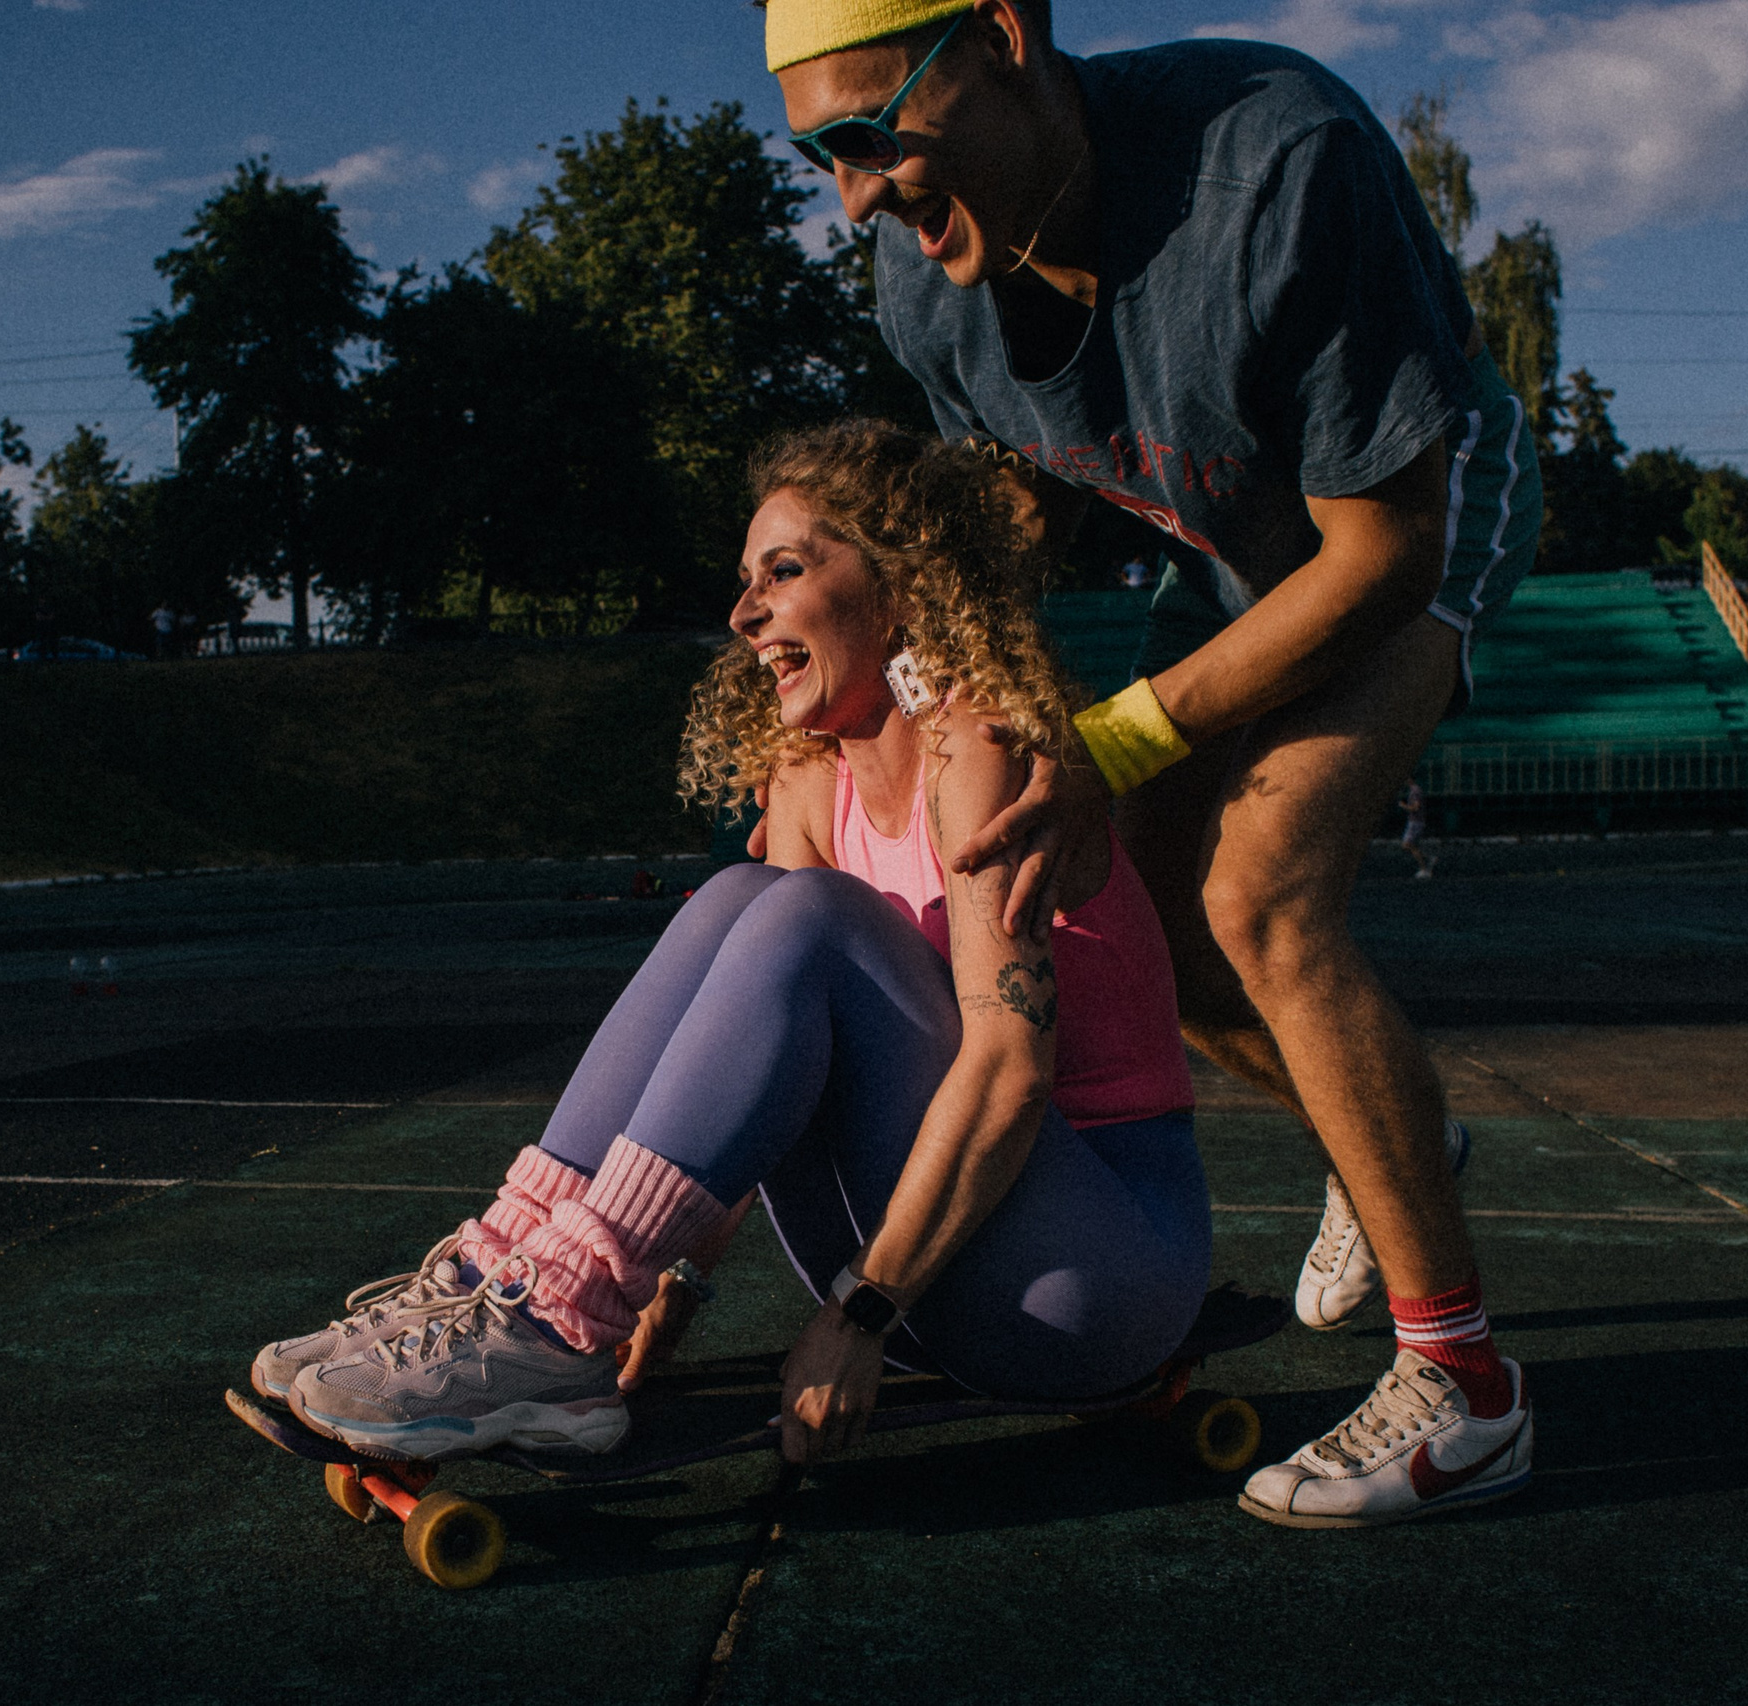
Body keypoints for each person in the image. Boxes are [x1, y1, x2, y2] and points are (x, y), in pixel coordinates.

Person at [763, 0, 1537, 1525]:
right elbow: (1011, 504)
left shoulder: (1279, 164)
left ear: (1002, 33)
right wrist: (933, 688)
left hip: (1404, 517)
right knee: (1151, 931)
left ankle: (1469, 1385)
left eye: (870, 132)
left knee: (1258, 892)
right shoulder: (925, 287)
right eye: (819, 157)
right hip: (1242, 542)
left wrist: (1117, 737)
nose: (853, 194)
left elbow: (1381, 551)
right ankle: (1388, 1142)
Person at [248, 422, 1220, 1469]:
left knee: (808, 914)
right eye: (745, 579)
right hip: (928, 1260)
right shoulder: (811, 780)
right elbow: (753, 1077)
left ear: (901, 585)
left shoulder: (976, 748)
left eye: (785, 570)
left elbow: (1008, 1071)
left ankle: (550, 1321)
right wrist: (664, 1300)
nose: (743, 610)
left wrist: (859, 1314)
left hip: (1091, 1275)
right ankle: (517, 1283)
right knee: (742, 895)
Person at [1399, 779, 1434, 879]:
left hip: (1416, 822)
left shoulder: (1415, 791)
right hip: (1414, 821)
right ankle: (1428, 859)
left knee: (1408, 845)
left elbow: (1415, 808)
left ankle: (1424, 869)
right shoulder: (1414, 791)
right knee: (1407, 846)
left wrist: (1403, 806)